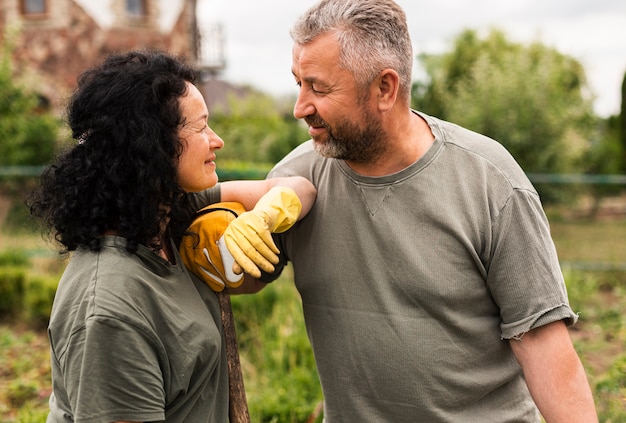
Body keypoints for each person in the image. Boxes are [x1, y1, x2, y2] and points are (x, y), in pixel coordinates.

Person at [219, 0, 598, 421]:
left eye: (319, 88)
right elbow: (239, 279)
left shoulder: (489, 181)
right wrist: (211, 229)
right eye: (298, 84)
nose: (300, 107)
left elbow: (543, 343)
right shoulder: (293, 182)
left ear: (385, 88)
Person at [28, 50, 316, 423]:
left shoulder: (171, 216)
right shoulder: (110, 313)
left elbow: (300, 187)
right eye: (200, 127)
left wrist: (267, 214)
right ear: (151, 146)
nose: (217, 141)